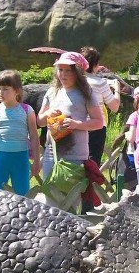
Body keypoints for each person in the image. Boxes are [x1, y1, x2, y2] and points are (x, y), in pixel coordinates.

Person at [37, 52, 104, 180]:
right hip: (51, 154)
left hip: (76, 155)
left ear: (77, 73)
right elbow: (40, 122)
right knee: (51, 196)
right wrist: (47, 114)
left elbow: (99, 122)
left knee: (72, 197)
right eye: (60, 70)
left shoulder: (86, 93)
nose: (63, 74)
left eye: (68, 71)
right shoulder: (52, 91)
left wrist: (76, 124)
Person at [0, 70, 40, 196]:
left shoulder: (27, 110)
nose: (0, 92)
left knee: (22, 193)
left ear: (17, 91)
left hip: (20, 156)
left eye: (5, 89)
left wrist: (36, 160)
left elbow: (34, 136)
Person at [80, 46, 121, 166]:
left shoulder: (75, 82)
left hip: (77, 125)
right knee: (92, 165)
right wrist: (117, 90)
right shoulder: (100, 83)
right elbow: (115, 107)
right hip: (96, 128)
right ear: (96, 64)